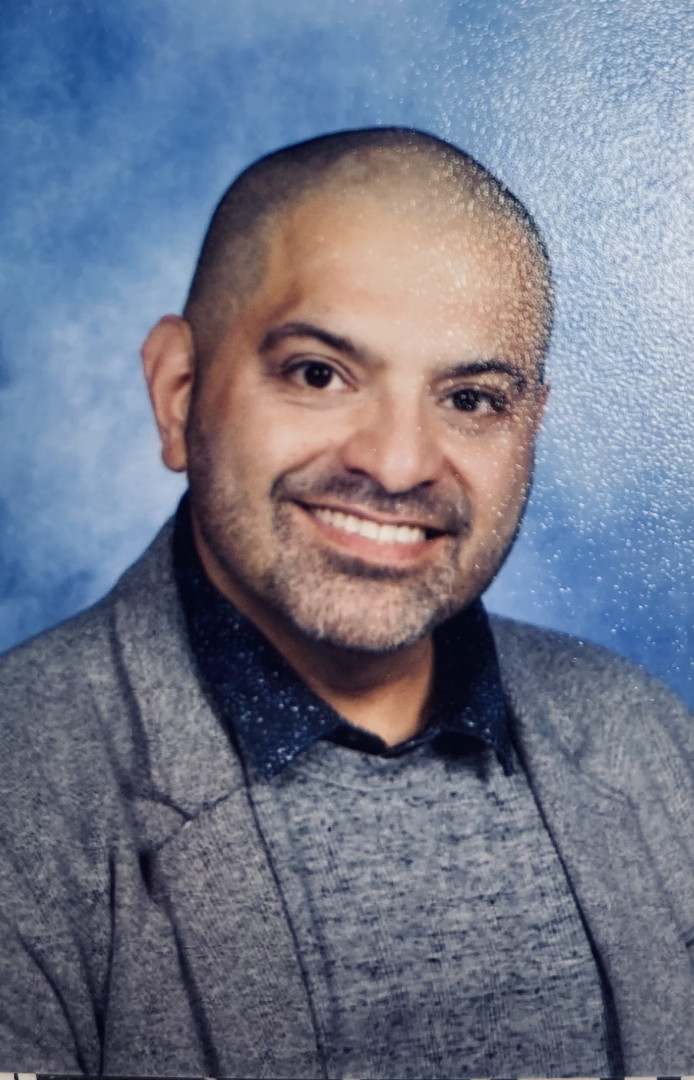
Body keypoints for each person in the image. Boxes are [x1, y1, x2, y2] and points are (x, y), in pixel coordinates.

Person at [1, 127, 693, 1079]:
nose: (398, 464)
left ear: (530, 424)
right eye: (319, 374)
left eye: (472, 399)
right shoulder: (20, 789)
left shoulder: (647, 738)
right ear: (179, 393)